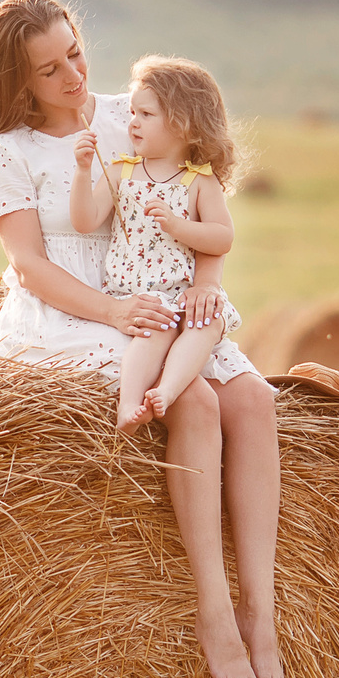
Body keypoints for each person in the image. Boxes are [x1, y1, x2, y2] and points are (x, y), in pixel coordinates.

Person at [0, 0, 284, 678]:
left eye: (74, 52)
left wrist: (207, 283)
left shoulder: (128, 111)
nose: (73, 76)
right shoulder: (7, 152)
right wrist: (112, 309)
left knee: (255, 399)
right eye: (49, 70)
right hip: (71, 310)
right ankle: (213, 611)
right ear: (18, 82)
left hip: (157, 295)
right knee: (193, 401)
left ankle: (263, 609)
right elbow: (29, 265)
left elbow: (202, 197)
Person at [71, 56, 262, 435]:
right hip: (139, 295)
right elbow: (85, 220)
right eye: (132, 112)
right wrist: (81, 171)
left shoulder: (199, 182)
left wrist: (177, 225)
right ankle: (129, 404)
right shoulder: (122, 171)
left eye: (146, 114)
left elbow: (222, 237)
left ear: (183, 124)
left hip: (183, 293)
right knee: (153, 331)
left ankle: (166, 391)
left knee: (204, 326)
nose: (133, 123)